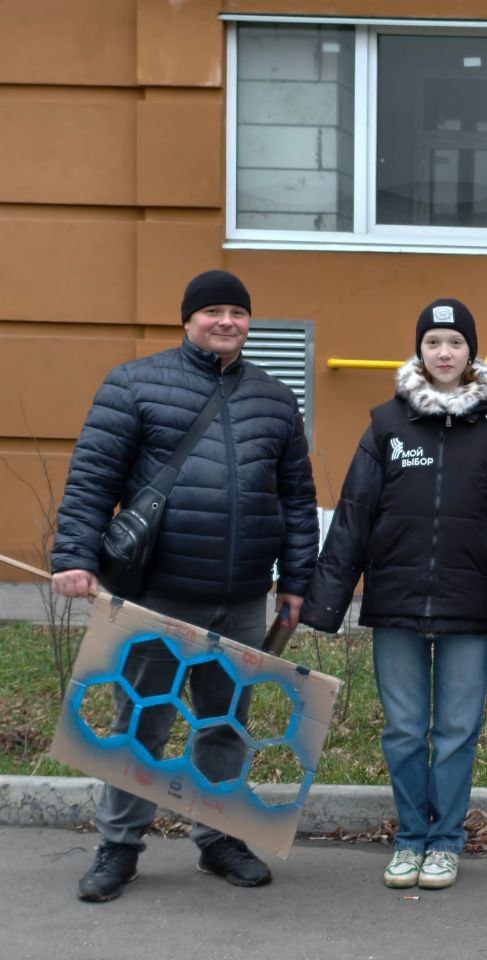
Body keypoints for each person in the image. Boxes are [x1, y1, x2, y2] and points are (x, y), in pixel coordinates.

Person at [51, 269, 318, 902]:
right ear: (187, 319)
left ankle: (217, 837)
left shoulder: (276, 399)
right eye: (213, 311)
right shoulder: (134, 384)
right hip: (155, 593)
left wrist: (297, 581)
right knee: (140, 722)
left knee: (225, 722)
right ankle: (119, 846)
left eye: (238, 312)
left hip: (242, 597)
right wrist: (73, 555)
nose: (226, 321)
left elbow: (297, 499)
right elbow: (92, 477)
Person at [301, 298, 487, 891]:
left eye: (454, 342)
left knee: (455, 730)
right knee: (401, 728)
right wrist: (326, 601)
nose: (444, 353)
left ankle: (445, 841)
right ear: (417, 351)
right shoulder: (386, 425)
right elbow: (354, 515)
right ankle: (409, 838)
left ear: (472, 351)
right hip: (396, 601)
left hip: (469, 604)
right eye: (432, 343)